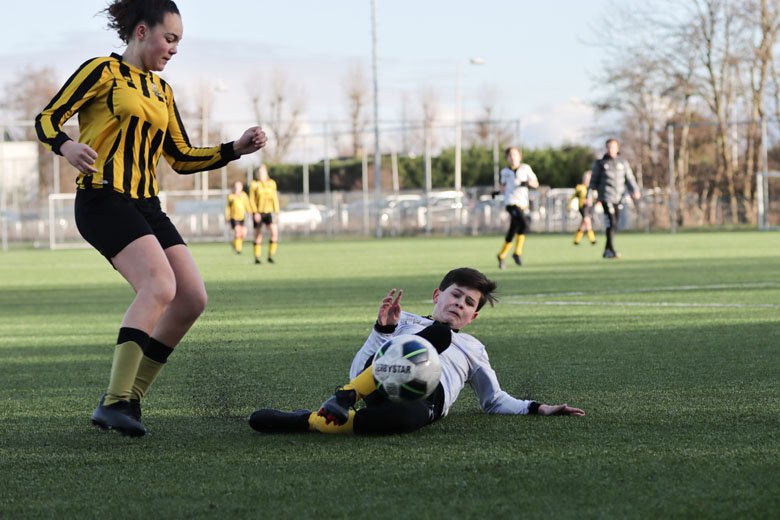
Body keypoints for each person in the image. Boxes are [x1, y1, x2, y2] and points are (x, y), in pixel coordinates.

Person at [35, 0, 267, 437]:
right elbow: (47, 117)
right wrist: (66, 146)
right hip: (103, 198)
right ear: (141, 32)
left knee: (191, 298)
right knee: (159, 285)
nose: (174, 49)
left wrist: (234, 149)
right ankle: (114, 401)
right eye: (170, 38)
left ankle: (130, 398)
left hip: (146, 204)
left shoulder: (163, 91)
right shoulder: (102, 71)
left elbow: (181, 157)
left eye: (179, 41)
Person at [249, 267, 585, 436]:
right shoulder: (403, 321)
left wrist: (538, 408)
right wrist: (382, 331)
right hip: (376, 384)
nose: (460, 304)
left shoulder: (473, 347)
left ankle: (311, 421)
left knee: (401, 421)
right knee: (438, 333)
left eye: (469, 303)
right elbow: (359, 370)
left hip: (425, 402)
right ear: (438, 295)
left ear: (473, 317)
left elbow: (493, 400)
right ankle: (344, 399)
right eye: (456, 295)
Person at [586, 139, 640, 259]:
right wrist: (589, 196)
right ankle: (612, 250)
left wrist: (635, 190)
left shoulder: (623, 163)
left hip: (619, 197)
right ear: (606, 148)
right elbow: (593, 181)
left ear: (617, 148)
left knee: (615, 224)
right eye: (609, 147)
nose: (611, 149)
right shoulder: (600, 163)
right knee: (611, 222)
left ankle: (607, 250)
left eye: (613, 147)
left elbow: (629, 178)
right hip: (606, 197)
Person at [496, 147, 539, 270]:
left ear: (520, 157)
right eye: (510, 155)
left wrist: (527, 183)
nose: (512, 157)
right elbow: (502, 188)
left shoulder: (525, 168)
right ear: (507, 158)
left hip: (523, 204)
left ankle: (501, 255)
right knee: (524, 224)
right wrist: (497, 192)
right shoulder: (504, 172)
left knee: (513, 230)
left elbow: (536, 183)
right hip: (510, 203)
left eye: (515, 155)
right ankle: (517, 253)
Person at [248, 164, 280, 264]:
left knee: (274, 233)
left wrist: (277, 211)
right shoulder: (254, 184)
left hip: (270, 212)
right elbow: (251, 199)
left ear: (266, 172)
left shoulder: (272, 183)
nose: (261, 174)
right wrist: (255, 213)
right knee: (258, 235)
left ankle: (270, 256)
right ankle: (257, 257)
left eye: (262, 172)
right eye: (259, 172)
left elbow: (274, 197)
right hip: (259, 213)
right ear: (257, 174)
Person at [570, 170, 597, 245]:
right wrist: (571, 205)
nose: (587, 180)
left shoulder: (592, 188)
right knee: (587, 221)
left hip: (590, 207)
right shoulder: (580, 188)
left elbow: (595, 198)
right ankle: (592, 239)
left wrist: (593, 200)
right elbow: (575, 197)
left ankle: (577, 240)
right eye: (586, 178)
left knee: (583, 223)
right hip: (583, 207)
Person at [225, 181, 251, 254]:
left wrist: (250, 212)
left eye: (239, 187)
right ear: (233, 188)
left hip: (242, 217)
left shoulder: (244, 195)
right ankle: (238, 249)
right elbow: (228, 208)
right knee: (238, 232)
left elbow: (247, 205)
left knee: (243, 234)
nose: (237, 188)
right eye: (236, 187)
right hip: (234, 217)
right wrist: (227, 216)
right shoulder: (231, 196)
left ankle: (234, 243)